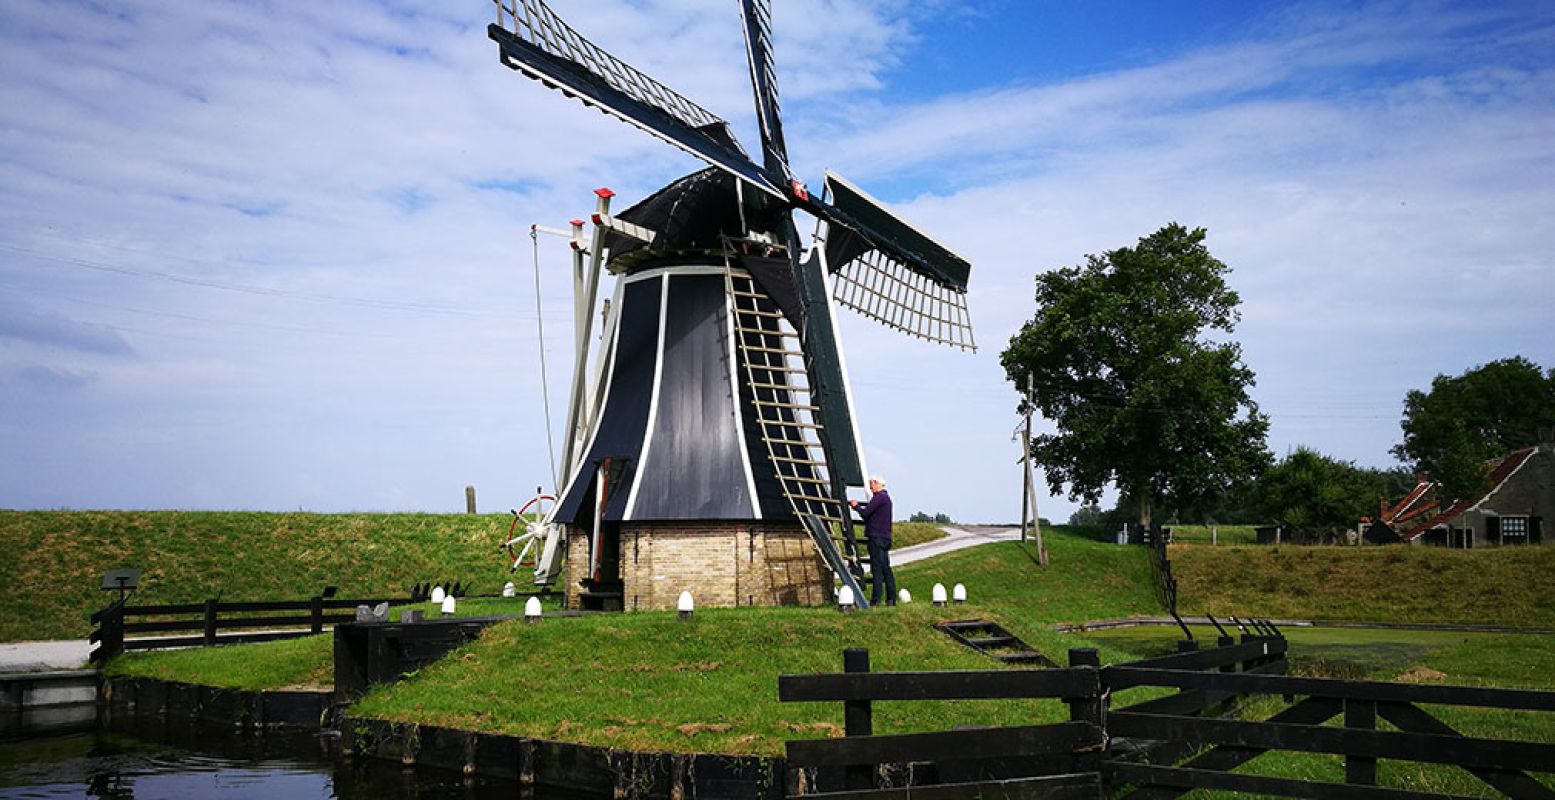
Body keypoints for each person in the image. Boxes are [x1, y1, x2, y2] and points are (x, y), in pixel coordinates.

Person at [849, 475, 895, 607]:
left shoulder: (879, 498)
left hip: (876, 537)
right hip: (885, 537)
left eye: (871, 484)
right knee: (886, 568)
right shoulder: (886, 498)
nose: (870, 487)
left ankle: (876, 600)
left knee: (877, 570)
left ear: (876, 483)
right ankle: (891, 599)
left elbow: (865, 513)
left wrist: (856, 506)